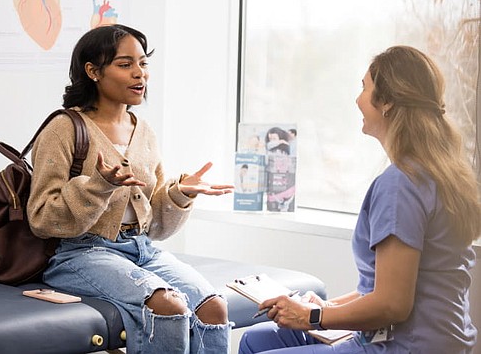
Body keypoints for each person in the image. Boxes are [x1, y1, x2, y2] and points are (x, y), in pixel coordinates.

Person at [239, 45, 481, 353]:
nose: (357, 100)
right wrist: (327, 307)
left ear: (388, 102)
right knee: (258, 338)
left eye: (364, 88)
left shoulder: (400, 184)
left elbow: (393, 305)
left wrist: (312, 316)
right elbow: (387, 288)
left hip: (405, 345)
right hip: (439, 338)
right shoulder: (442, 172)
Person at [27, 24, 234, 354]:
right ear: (93, 71)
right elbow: (42, 217)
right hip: (80, 252)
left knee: (213, 308)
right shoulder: (63, 128)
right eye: (125, 65)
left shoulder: (143, 131)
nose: (140, 74)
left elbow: (154, 225)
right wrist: (98, 186)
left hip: (141, 248)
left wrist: (180, 193)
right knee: (167, 305)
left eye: (143, 63)